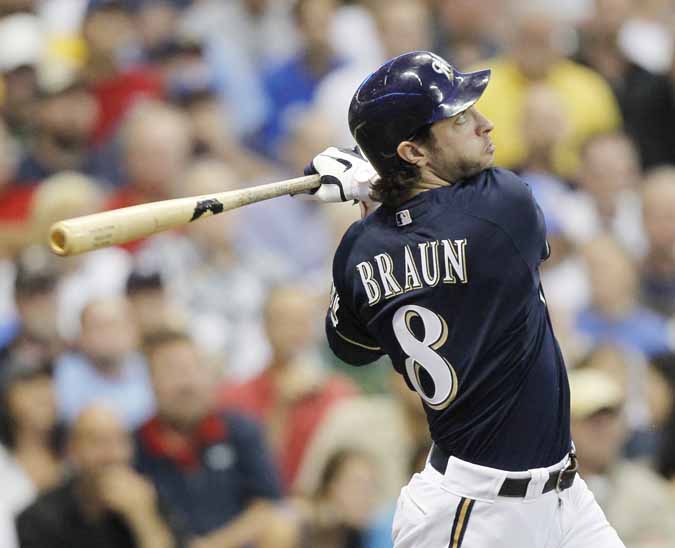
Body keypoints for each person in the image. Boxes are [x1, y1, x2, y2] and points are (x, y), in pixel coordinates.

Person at [304, 51, 624, 547]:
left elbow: (351, 346)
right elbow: (449, 216)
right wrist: (375, 181)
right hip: (475, 515)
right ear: (413, 152)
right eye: (459, 118)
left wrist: (373, 197)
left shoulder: (358, 248)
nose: (486, 123)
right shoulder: (504, 207)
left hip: (561, 496)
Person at [136, 328, 298, 548]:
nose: (186, 383)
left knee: (281, 527)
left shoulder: (241, 430)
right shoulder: (134, 444)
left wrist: (212, 545)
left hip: (233, 544)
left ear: (209, 376)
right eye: (171, 371)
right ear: (150, 381)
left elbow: (268, 505)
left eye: (192, 369)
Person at [16, 405, 185, 548]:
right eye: (97, 442)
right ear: (72, 450)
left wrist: (144, 520)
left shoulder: (147, 500)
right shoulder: (39, 519)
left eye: (120, 441)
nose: (112, 455)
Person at [569, 367, 675, 546]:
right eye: (592, 421)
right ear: (567, 428)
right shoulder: (546, 491)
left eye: (611, 419)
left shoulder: (647, 489)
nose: (604, 430)